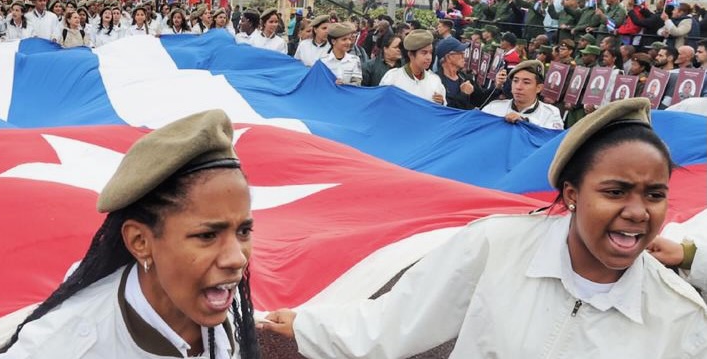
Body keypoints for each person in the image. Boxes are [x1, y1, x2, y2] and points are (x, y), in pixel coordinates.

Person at [259, 98, 707, 358]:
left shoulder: (680, 317)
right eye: (615, 192)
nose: (638, 211)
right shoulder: (497, 245)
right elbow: (399, 317)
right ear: (571, 193)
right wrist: (310, 325)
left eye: (654, 194)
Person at [0, 110, 260, 358]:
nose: (236, 259)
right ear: (140, 242)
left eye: (244, 230)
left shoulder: (215, 293)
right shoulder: (65, 345)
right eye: (207, 236)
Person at [481, 60, 563, 129]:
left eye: (526, 82)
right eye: (515, 81)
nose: (518, 87)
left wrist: (525, 122)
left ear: (538, 88)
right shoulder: (493, 108)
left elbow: (553, 139)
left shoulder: (550, 114)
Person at [379, 30, 447, 105]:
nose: (429, 57)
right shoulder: (393, 78)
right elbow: (382, 104)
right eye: (424, 53)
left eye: (430, 52)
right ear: (411, 54)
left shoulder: (434, 80)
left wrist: (441, 103)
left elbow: (441, 110)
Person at [437, 36, 503, 109]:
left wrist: (497, 86)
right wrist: (463, 94)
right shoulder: (436, 81)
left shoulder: (465, 77)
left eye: (464, 52)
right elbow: (445, 111)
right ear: (448, 57)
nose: (464, 55)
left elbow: (481, 100)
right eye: (460, 53)